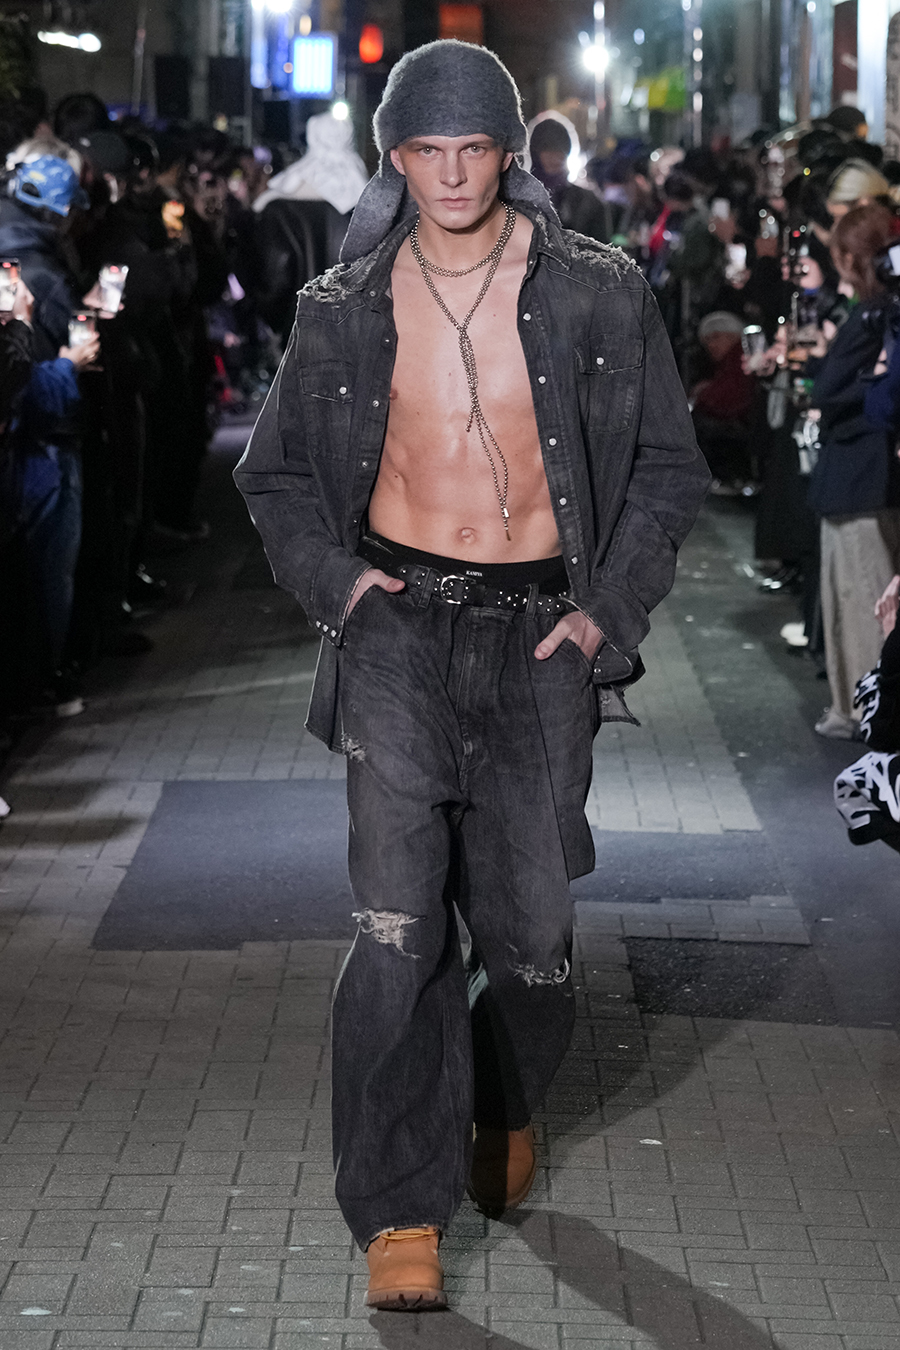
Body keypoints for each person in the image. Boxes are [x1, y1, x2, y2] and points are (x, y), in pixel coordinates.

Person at [234, 39, 708, 1312]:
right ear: (394, 156)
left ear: (511, 152)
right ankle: (401, 1207)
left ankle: (497, 1097)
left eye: (475, 147)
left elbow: (670, 467)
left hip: (543, 638)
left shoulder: (600, 293)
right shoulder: (342, 305)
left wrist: (606, 615)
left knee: (534, 935)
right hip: (396, 630)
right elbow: (274, 475)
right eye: (427, 150)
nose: (451, 173)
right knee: (397, 926)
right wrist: (340, 589)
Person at [807, 203, 900, 739]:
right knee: (853, 595)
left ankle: (868, 710)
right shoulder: (874, 314)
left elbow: (827, 387)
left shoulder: (875, 315)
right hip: (859, 474)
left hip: (862, 474)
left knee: (863, 598)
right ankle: (856, 708)